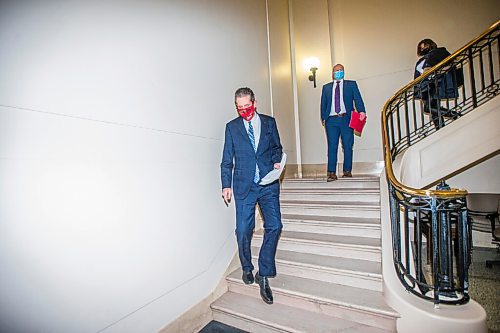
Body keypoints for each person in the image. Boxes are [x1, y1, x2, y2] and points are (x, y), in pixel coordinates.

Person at [220, 87, 283, 305]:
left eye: (247, 107)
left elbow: (277, 147)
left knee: (275, 226)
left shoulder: (268, 122)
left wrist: (276, 161)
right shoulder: (232, 128)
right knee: (243, 229)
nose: (244, 111)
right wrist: (225, 184)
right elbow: (227, 159)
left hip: (267, 183)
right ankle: (247, 266)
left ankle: (264, 273)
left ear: (254, 103)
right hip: (243, 185)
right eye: (240, 108)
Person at [320, 64, 366, 182]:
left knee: (347, 145)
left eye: (340, 70)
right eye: (336, 71)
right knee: (332, 146)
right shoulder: (326, 87)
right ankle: (331, 173)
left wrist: (361, 111)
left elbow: (358, 99)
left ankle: (347, 171)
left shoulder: (351, 85)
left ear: (344, 72)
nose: (338, 72)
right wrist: (323, 118)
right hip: (331, 120)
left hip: (346, 119)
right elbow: (323, 103)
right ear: (332, 73)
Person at [414, 39, 461, 129]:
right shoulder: (421, 61)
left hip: (434, 83)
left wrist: (435, 72)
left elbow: (450, 63)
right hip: (424, 86)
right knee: (433, 108)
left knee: (428, 108)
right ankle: (440, 128)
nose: (422, 48)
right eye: (421, 47)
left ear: (430, 44)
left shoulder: (438, 52)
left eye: (425, 46)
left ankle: (453, 114)